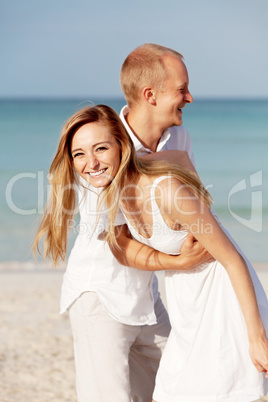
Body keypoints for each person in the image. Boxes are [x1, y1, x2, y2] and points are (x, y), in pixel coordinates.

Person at [34, 45, 213, 402]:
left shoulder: (178, 138)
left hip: (145, 298)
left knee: (180, 386)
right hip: (99, 296)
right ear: (150, 94)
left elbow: (191, 204)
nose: (189, 97)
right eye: (182, 89)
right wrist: (178, 262)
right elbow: (119, 242)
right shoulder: (102, 147)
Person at [62, 103, 268, 401]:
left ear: (122, 146)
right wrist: (180, 258)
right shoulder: (113, 192)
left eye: (101, 149)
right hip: (186, 303)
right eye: (79, 154)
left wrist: (257, 337)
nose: (90, 163)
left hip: (220, 299)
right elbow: (180, 158)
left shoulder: (167, 191)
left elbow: (232, 260)